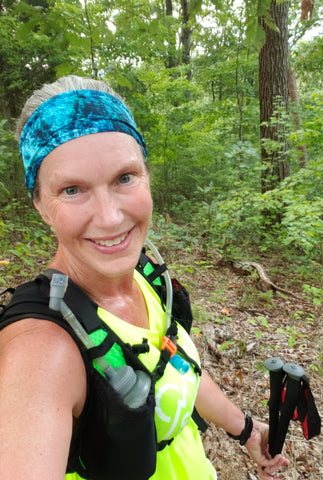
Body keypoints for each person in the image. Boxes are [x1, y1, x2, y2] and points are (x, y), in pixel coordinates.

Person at [0, 75, 289, 480]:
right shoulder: (42, 349)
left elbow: (176, 363)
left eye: (124, 178)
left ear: (147, 175)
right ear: (39, 204)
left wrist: (245, 429)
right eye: (71, 189)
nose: (110, 217)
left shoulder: (145, 276)